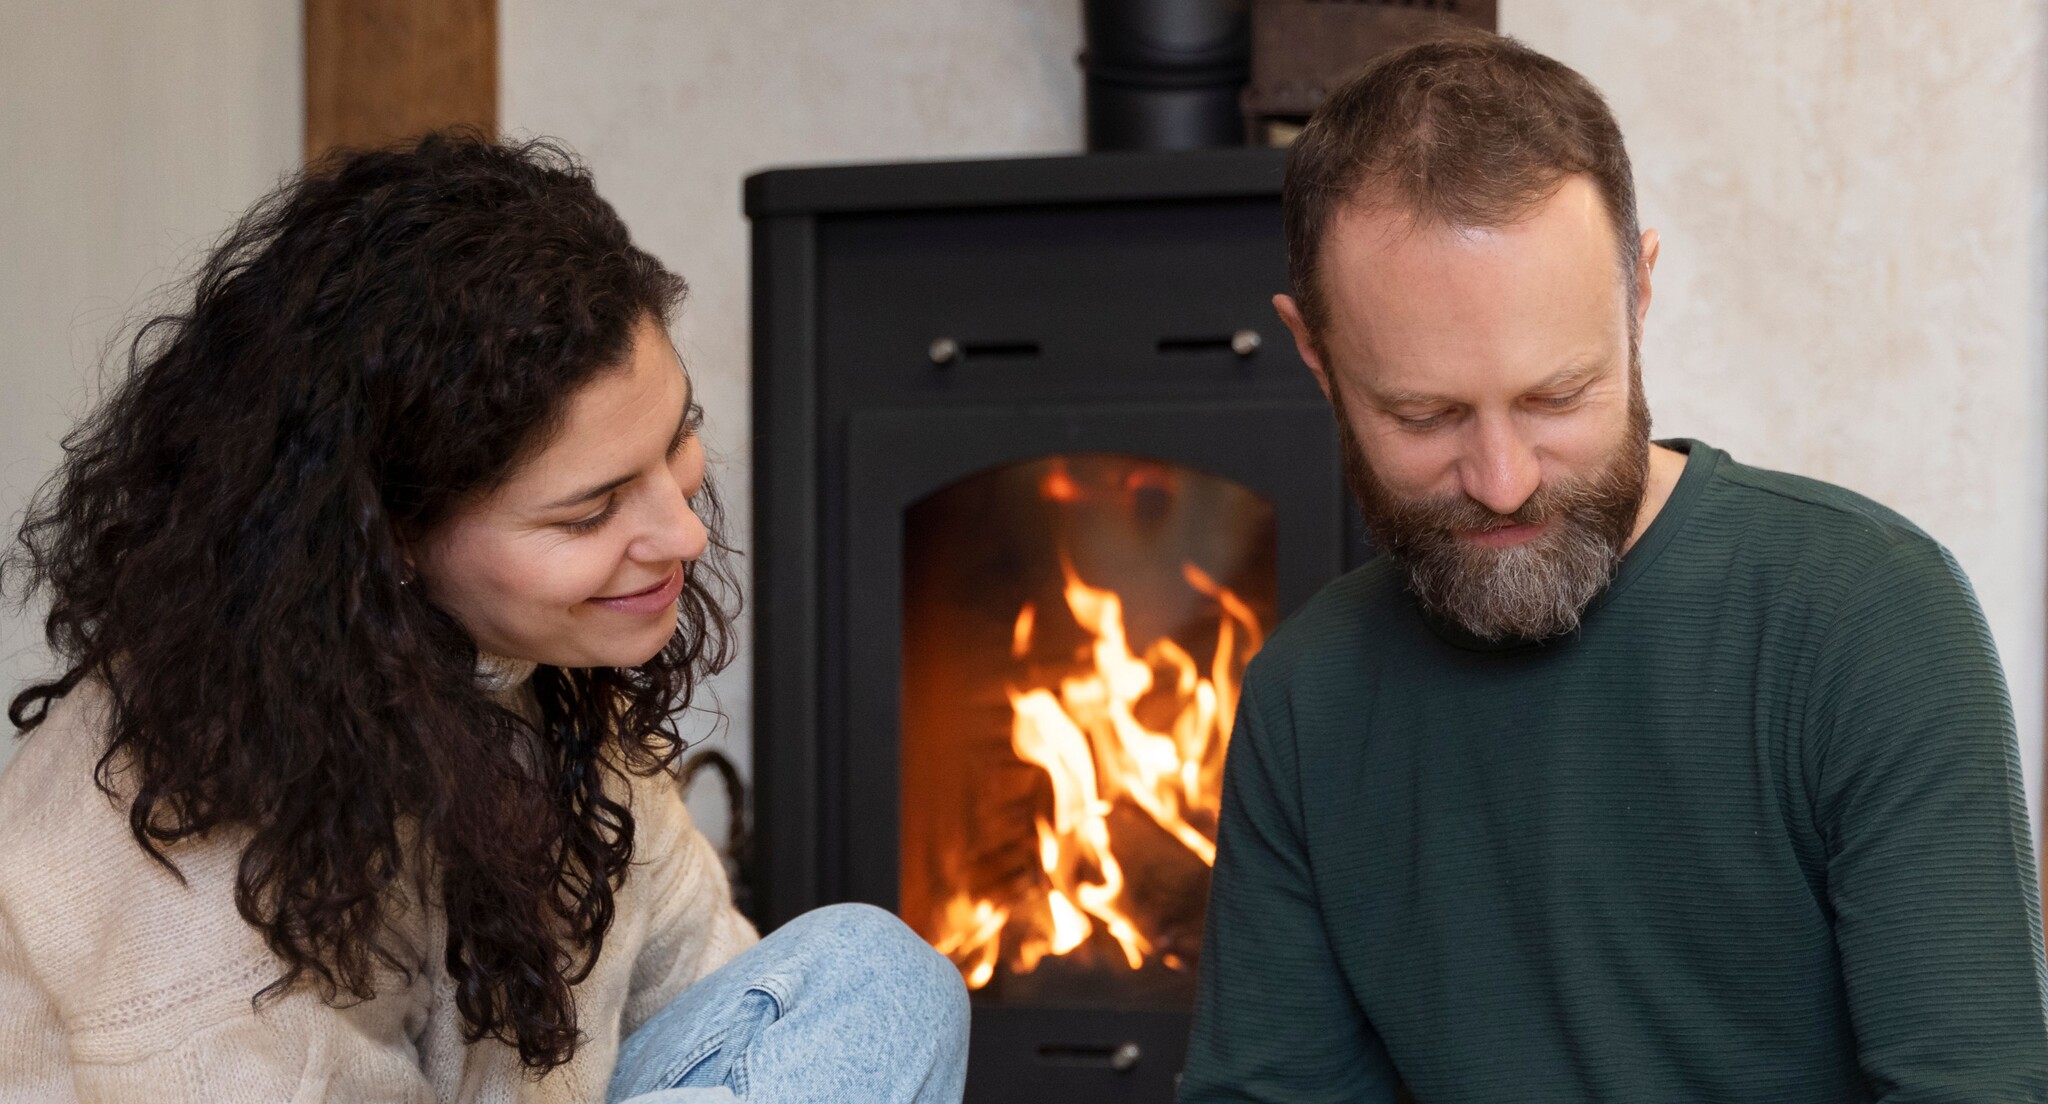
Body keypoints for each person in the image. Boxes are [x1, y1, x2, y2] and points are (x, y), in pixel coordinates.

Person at [0, 133, 968, 1103]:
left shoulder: (531, 682)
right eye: (588, 511)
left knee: (871, 977)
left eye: (677, 440)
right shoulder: (179, 849)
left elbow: (735, 1025)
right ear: (388, 540)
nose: (680, 535)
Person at [1179, 33, 2048, 1103]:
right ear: (1313, 354)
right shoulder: (1303, 698)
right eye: (1423, 415)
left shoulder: (1866, 619)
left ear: (1636, 297)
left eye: (1555, 397)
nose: (1500, 480)